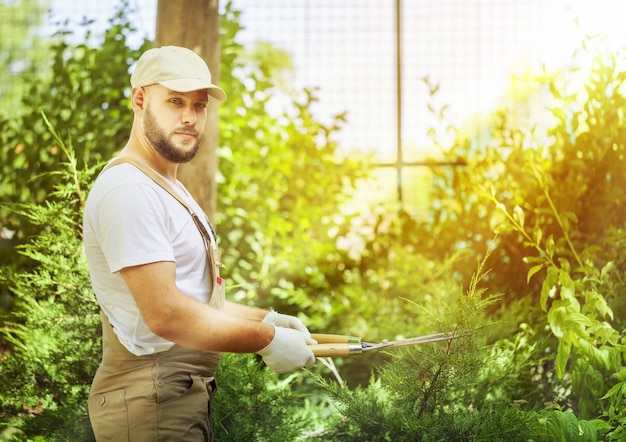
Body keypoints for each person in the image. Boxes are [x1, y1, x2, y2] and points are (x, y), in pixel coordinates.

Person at [82, 45, 317, 441]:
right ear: (140, 100)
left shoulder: (167, 186)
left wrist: (264, 319)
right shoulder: (129, 190)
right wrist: (267, 340)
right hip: (150, 403)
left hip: (174, 399)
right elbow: (166, 315)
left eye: (200, 105)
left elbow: (196, 299)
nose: (190, 117)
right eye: (175, 102)